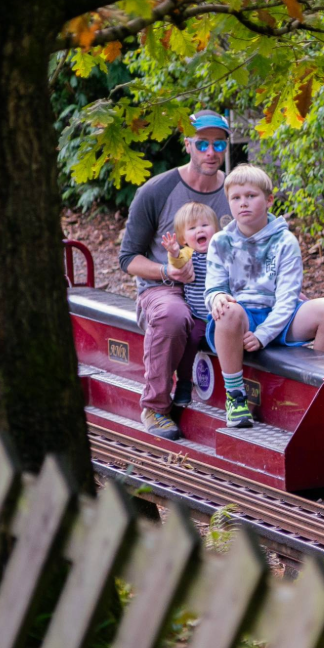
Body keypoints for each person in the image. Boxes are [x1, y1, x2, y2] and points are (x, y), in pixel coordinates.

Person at [204, 164, 324, 429]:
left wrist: (264, 334)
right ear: (229, 203)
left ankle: (316, 392)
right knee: (228, 309)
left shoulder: (284, 241)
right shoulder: (221, 242)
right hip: (240, 319)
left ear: (269, 200)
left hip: (278, 315)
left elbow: (288, 298)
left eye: (251, 196)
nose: (243, 203)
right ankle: (235, 397)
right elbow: (213, 289)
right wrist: (218, 299)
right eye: (236, 198)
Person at [119, 111, 232, 439]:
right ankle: (155, 407)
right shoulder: (156, 191)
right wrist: (167, 271)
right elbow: (128, 258)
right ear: (188, 144)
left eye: (218, 143)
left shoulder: (236, 190)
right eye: (202, 143)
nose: (210, 151)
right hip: (164, 289)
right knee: (173, 314)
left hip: (223, 284)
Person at [162, 201, 219, 408]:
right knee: (191, 339)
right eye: (193, 228)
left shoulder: (221, 249)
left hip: (221, 313)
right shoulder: (188, 254)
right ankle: (184, 383)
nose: (200, 230)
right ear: (184, 239)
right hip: (199, 315)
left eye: (205, 225)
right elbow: (176, 263)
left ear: (215, 229)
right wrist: (174, 252)